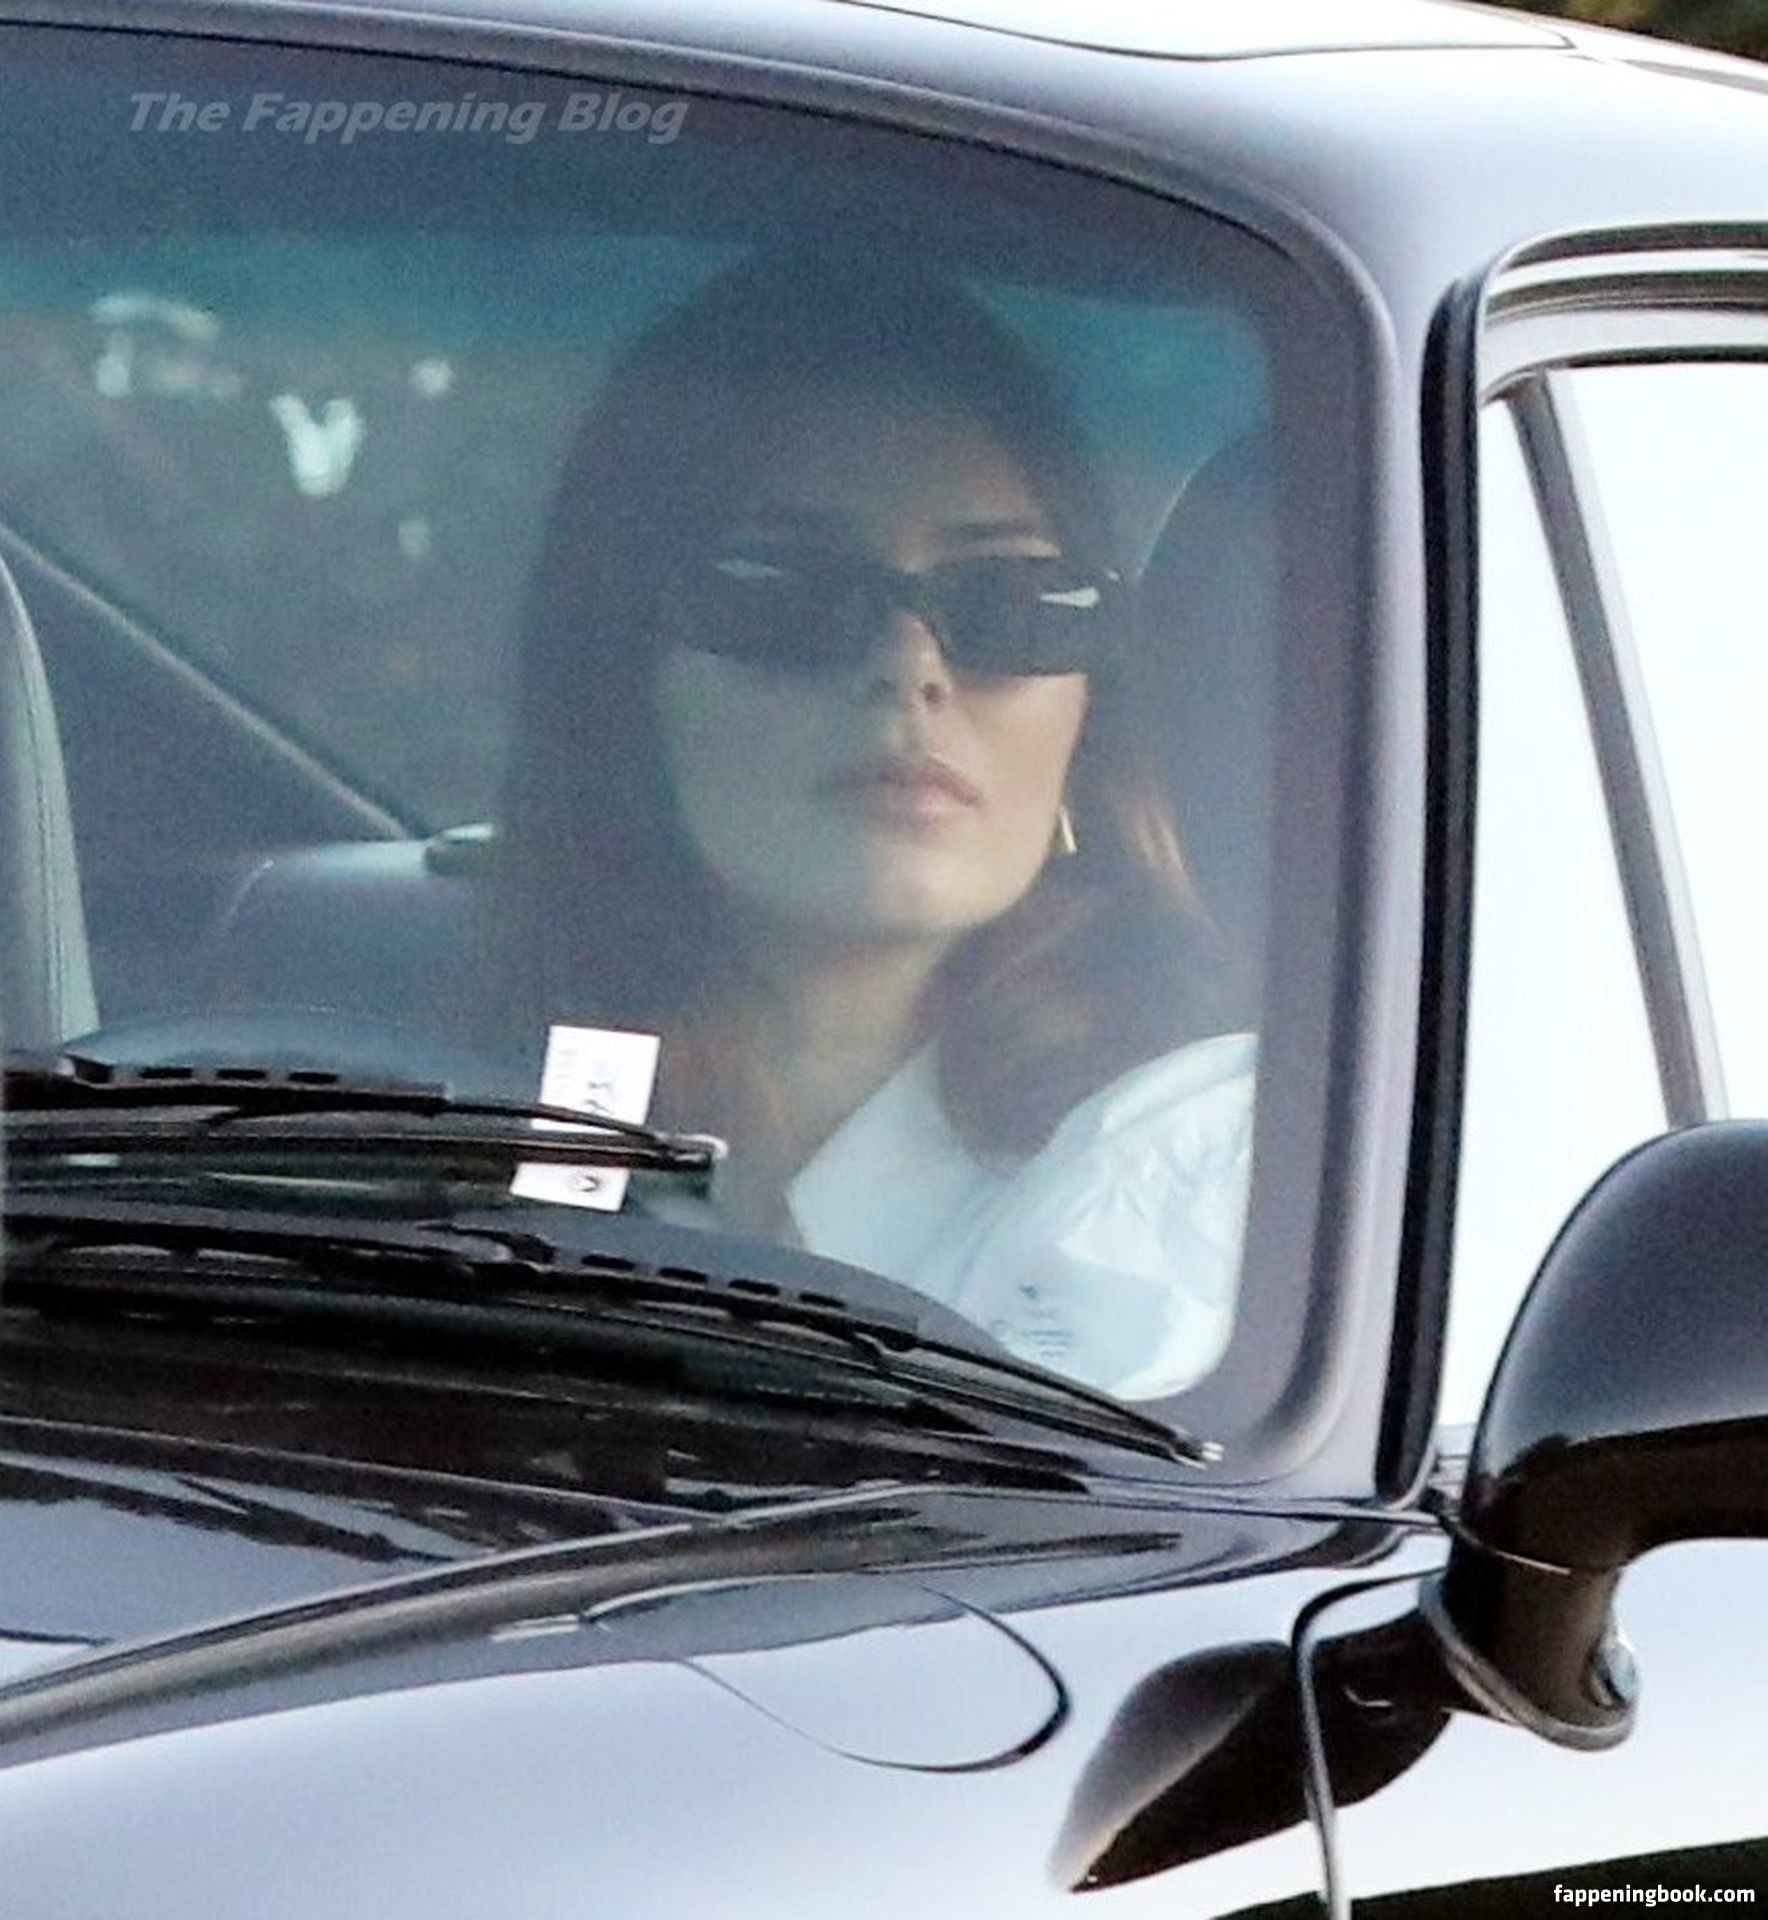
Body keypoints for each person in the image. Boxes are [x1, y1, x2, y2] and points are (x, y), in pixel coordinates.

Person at [490, 249, 1256, 1400]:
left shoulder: (1206, 1164)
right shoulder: (451, 1103)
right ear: (618, 674)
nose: (908, 669)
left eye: (1004, 604)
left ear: (1091, 705)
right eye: (785, 591)